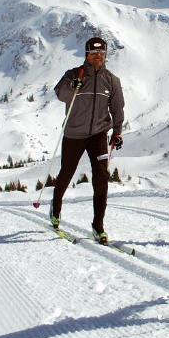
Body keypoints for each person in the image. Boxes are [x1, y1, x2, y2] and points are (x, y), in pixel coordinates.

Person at [51, 36, 125, 244]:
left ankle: (98, 226)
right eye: (93, 54)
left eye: (101, 54)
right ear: (86, 55)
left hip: (98, 134)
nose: (97, 58)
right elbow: (60, 94)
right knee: (66, 173)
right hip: (74, 134)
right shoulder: (74, 75)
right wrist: (73, 86)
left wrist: (117, 132)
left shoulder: (111, 80)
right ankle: (55, 211)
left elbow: (117, 108)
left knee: (101, 177)